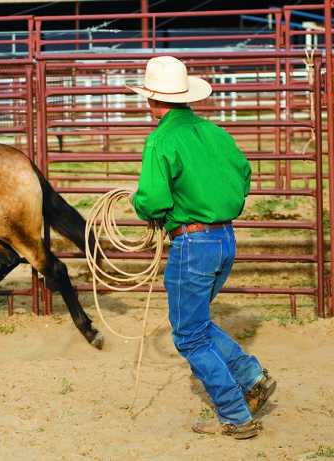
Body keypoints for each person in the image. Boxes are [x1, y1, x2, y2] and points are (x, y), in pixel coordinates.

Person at [126, 56, 276, 439]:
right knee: (196, 322)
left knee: (189, 334)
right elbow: (244, 176)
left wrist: (137, 202)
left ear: (151, 98)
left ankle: (235, 414)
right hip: (224, 239)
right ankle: (251, 376)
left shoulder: (161, 139)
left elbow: (153, 201)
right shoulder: (216, 133)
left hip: (192, 243)